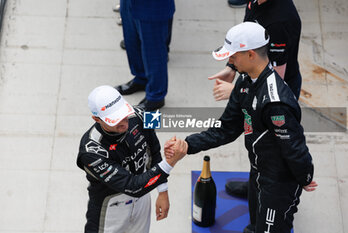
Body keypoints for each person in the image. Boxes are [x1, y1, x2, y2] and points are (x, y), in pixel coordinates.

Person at [164, 22, 317, 233]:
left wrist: (305, 177)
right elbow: (225, 129)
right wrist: (187, 144)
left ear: (251, 54)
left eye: (233, 56)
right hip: (259, 170)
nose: (230, 61)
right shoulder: (245, 81)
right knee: (255, 223)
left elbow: (294, 147)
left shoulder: (275, 102)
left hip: (279, 181)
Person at [210, 0, 304, 208]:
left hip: (277, 96)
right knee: (256, 143)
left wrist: (235, 91)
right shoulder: (255, 1)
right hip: (257, 82)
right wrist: (232, 68)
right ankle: (255, 183)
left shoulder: (280, 21)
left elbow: (274, 86)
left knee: (271, 149)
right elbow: (245, 37)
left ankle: (265, 202)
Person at [77, 85, 186, 233]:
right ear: (96, 119)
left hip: (143, 198)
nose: (123, 122)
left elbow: (154, 151)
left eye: (124, 113)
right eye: (114, 119)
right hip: (110, 207)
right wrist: (170, 162)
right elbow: (133, 187)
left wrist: (163, 190)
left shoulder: (142, 113)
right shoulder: (90, 151)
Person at [115, 0, 175, 111]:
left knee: (154, 51)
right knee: (132, 40)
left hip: (152, 6)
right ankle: (141, 79)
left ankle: (156, 96)